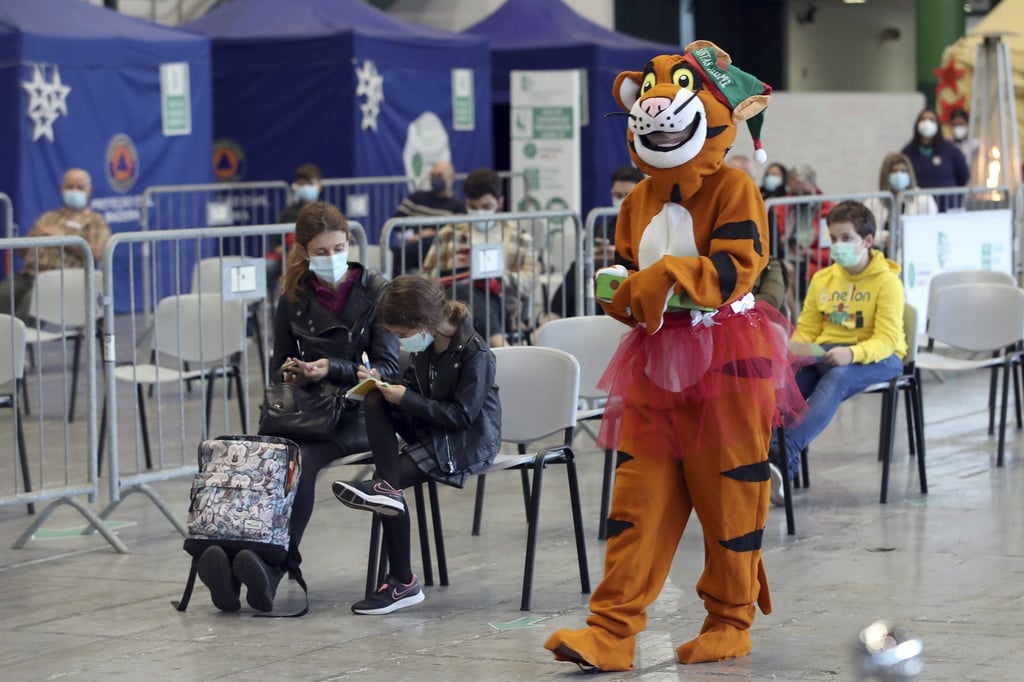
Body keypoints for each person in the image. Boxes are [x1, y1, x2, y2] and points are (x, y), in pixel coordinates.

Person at [545, 43, 806, 672]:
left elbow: (737, 270)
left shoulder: (736, 188)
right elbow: (627, 277)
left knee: (729, 495)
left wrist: (665, 277)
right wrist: (621, 294)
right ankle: (610, 631)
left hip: (729, 359)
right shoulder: (635, 201)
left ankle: (730, 620)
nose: (659, 107)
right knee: (638, 501)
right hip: (656, 361)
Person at [195, 201, 400, 613]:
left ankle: (270, 568)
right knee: (260, 463)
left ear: (350, 242)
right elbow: (278, 366)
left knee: (296, 465)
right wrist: (294, 372)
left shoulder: (377, 291)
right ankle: (233, 562)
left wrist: (332, 368)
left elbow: (389, 367)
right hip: (307, 410)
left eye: (339, 248)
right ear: (303, 250)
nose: (332, 257)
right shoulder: (292, 295)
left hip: (360, 414)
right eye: (321, 251)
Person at [331, 274, 501, 615]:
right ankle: (387, 491)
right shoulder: (427, 345)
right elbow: (413, 388)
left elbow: (462, 416)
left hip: (466, 442)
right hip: (434, 430)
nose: (400, 342)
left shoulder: (476, 353)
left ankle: (402, 580)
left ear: (422, 322)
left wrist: (405, 398)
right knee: (375, 400)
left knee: (387, 484)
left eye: (401, 335)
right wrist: (382, 383)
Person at [768, 200, 906, 505]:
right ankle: (774, 459)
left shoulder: (888, 283)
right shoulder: (822, 279)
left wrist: (853, 353)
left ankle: (783, 454)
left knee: (839, 376)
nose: (837, 245)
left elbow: (886, 340)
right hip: (827, 351)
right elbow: (807, 328)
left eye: (846, 238)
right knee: (788, 378)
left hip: (880, 358)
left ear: (867, 241)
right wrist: (797, 348)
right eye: (833, 238)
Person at [421, 167, 538, 347]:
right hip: (453, 310)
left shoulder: (520, 238)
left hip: (501, 308)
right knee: (459, 291)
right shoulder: (448, 233)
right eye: (473, 207)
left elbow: (530, 280)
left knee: (462, 292)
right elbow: (425, 280)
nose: (479, 212)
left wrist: (495, 274)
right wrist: (450, 269)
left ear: (500, 202)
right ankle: (501, 346)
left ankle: (497, 342)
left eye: (486, 207)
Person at [0, 168, 110, 320]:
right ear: (61, 189)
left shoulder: (95, 221)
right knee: (4, 293)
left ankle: (20, 335)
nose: (74, 191)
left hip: (63, 280)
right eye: (70, 187)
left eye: (79, 187)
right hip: (29, 274)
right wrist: (34, 238)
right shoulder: (48, 218)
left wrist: (61, 239)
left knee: (30, 304)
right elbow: (21, 253)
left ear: (89, 191)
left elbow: (97, 253)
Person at [546, 164, 645, 319]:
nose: (621, 200)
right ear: (611, 193)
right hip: (604, 275)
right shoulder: (603, 227)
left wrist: (617, 254)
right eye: (617, 195)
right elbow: (585, 252)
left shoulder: (648, 224)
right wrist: (592, 253)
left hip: (633, 275)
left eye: (627, 195)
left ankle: (554, 316)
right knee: (581, 266)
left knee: (590, 271)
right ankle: (561, 317)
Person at [390, 160, 465, 275]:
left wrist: (432, 233)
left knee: (428, 242)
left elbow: (458, 234)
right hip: (411, 245)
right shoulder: (416, 198)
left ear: (452, 177)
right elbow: (396, 222)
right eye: (433, 175)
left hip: (438, 251)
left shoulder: (458, 207)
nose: (435, 179)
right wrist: (415, 235)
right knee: (390, 256)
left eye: (439, 175)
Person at [863, 152, 938, 253]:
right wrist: (884, 238)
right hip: (881, 254)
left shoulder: (924, 199)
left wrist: (905, 238)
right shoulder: (873, 200)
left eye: (903, 171)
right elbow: (863, 231)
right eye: (894, 171)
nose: (899, 175)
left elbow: (932, 229)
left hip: (914, 253)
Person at [266, 163, 324, 287]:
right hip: (287, 260)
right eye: (302, 185)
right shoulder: (288, 213)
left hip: (316, 260)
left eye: (309, 184)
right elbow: (274, 243)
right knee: (267, 266)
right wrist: (284, 250)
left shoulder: (326, 212)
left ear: (319, 186)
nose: (305, 188)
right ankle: (263, 300)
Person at [900, 108, 968, 211]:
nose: (926, 123)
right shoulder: (908, 152)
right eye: (923, 119)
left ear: (938, 124)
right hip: (919, 209)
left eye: (931, 120)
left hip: (947, 206)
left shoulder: (951, 149)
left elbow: (963, 175)